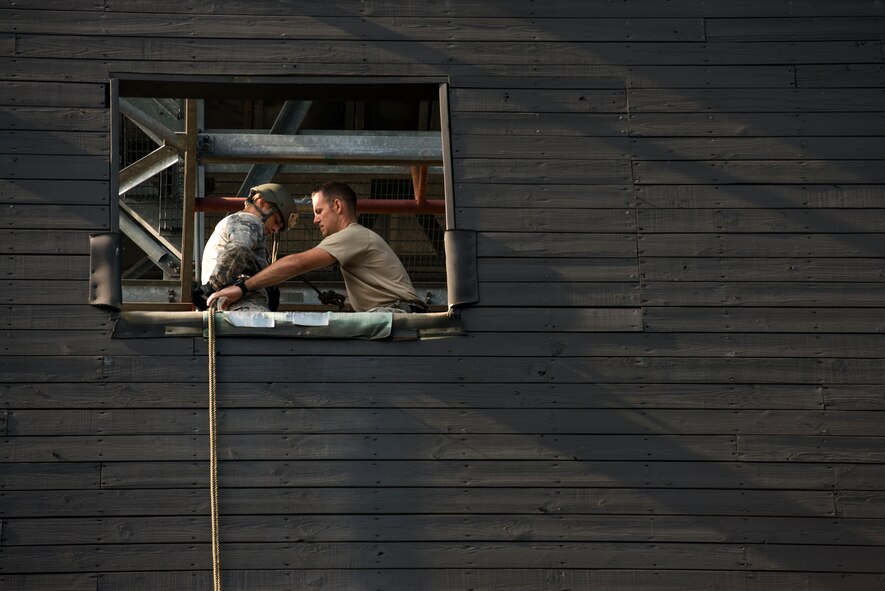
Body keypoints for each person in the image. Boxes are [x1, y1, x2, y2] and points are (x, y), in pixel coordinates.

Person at [207, 180, 426, 313]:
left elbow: (297, 263)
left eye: (318, 211)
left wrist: (243, 287)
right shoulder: (356, 239)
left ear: (338, 206)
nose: (314, 220)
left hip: (397, 314)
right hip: (392, 313)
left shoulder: (354, 235)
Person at [195, 182, 299, 311]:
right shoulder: (249, 220)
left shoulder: (235, 223)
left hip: (230, 303)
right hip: (244, 304)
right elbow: (240, 248)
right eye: (276, 221)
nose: (275, 229)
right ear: (261, 202)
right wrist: (211, 287)